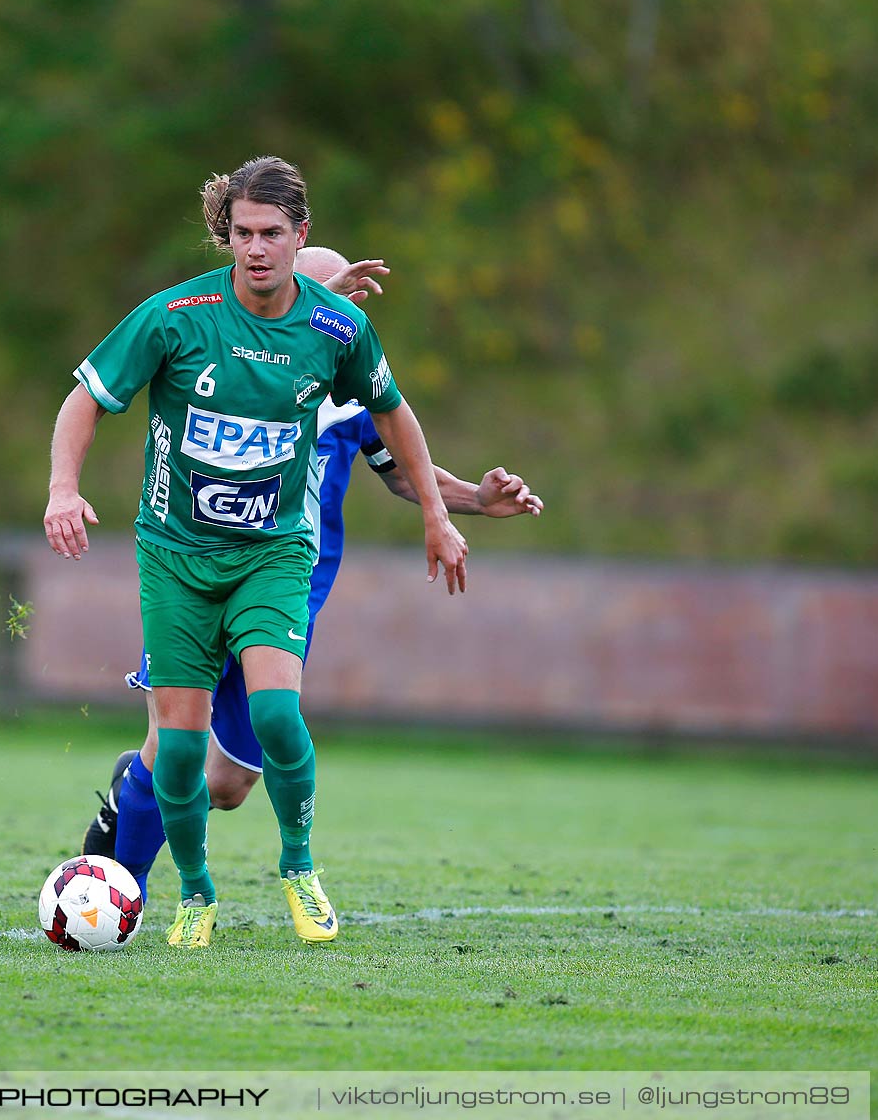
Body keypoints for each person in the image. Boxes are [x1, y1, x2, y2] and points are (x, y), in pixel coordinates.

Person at [44, 155, 467, 948]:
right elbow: (85, 399)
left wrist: (442, 514)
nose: (258, 248)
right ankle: (191, 894)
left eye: (274, 234)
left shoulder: (337, 332)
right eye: (243, 233)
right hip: (177, 555)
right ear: (225, 236)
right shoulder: (176, 316)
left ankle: (299, 868)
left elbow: (395, 420)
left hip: (274, 555)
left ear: (298, 234)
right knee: (185, 758)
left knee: (275, 714)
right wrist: (64, 490)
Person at [79, 245, 543, 914]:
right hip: (200, 569)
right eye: (331, 290)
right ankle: (117, 888)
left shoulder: (350, 397)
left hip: (285, 590)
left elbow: (403, 472)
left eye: (350, 296)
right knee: (172, 739)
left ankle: (138, 787)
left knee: (231, 782)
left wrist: (476, 499)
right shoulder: (242, 361)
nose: (343, 307)